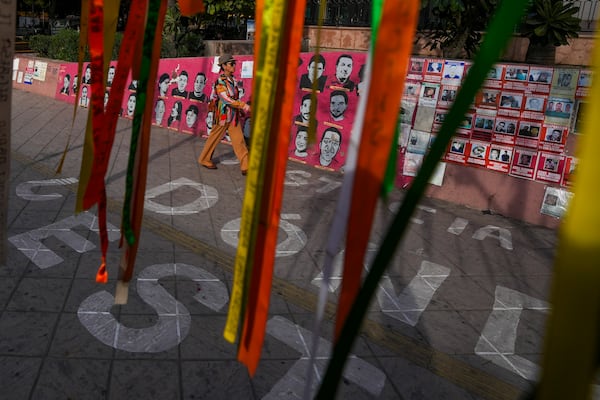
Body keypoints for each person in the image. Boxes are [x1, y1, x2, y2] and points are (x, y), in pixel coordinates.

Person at [198, 54, 250, 175]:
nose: (234, 66)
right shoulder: (220, 82)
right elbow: (226, 99)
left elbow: (233, 97)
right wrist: (243, 106)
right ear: (224, 66)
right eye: (231, 64)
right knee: (214, 139)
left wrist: (240, 110)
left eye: (234, 63)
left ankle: (245, 166)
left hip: (233, 117)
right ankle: (204, 159)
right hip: (222, 116)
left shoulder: (233, 80)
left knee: (239, 140)